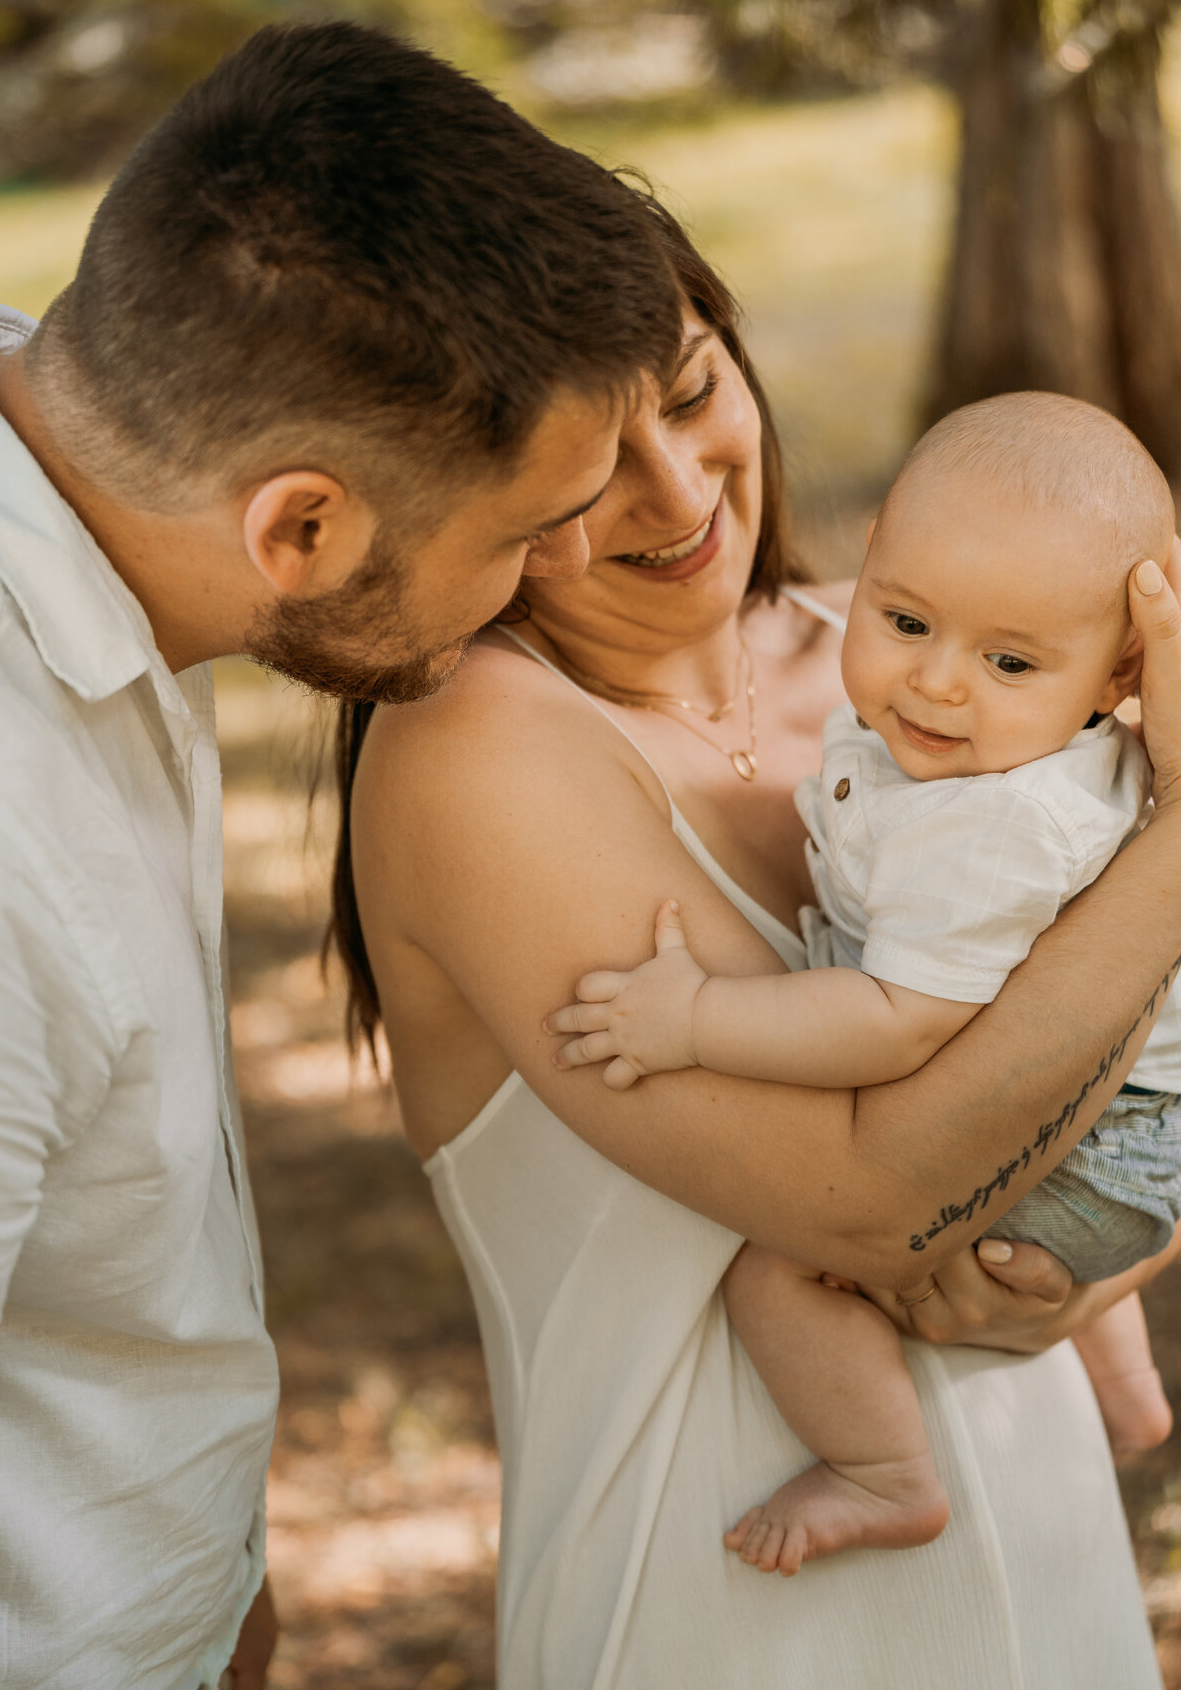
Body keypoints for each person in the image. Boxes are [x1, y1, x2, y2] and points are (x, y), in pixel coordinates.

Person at [336, 198, 1181, 1689]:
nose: (674, 495)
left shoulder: (927, 668)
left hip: (1049, 1556)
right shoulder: (478, 746)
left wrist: (1135, 1221)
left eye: (687, 391)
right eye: (587, 462)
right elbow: (877, 1203)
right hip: (723, 1603)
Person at [0, 19, 685, 1690]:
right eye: (522, 528)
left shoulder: (73, 457)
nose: (576, 558)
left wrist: (212, 1587)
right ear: (299, 527)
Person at [546, 390, 1181, 1580]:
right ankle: (1134, 1394)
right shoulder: (1017, 744)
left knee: (776, 1267)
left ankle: (883, 1473)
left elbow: (897, 1025)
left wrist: (694, 1021)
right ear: (873, 555)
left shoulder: (991, 824)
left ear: (1117, 676)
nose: (939, 686)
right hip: (1135, 1109)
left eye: (1007, 661)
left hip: (1108, 1141)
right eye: (905, 620)